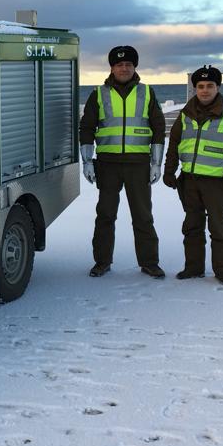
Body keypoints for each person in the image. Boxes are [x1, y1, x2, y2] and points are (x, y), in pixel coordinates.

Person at [79, 45, 166, 278]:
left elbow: (158, 127)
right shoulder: (98, 93)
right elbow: (86, 127)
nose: (124, 68)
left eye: (128, 64)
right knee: (105, 215)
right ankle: (102, 262)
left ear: (134, 67)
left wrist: (156, 163)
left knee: (143, 216)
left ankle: (149, 263)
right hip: (108, 165)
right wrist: (87, 161)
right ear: (112, 67)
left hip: (138, 165)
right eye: (119, 64)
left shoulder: (147, 93)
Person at [163, 65, 223, 286]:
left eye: (210, 86)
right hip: (189, 181)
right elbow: (174, 144)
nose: (205, 90)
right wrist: (169, 171)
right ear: (194, 89)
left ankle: (222, 271)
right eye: (200, 86)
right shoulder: (185, 115)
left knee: (218, 228)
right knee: (192, 226)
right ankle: (193, 268)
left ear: (217, 87)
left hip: (217, 183)